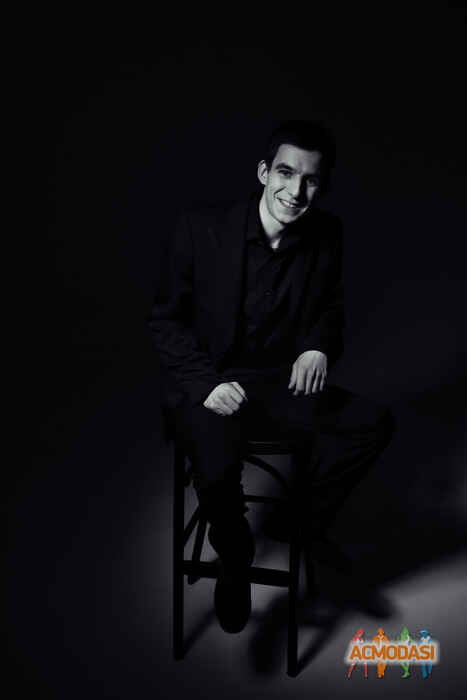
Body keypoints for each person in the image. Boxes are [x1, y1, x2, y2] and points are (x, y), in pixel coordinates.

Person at [149, 120, 395, 634]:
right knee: (215, 466)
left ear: (321, 187)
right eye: (286, 173)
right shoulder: (200, 229)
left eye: (311, 180)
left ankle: (300, 524)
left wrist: (317, 345)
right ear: (264, 172)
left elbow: (330, 308)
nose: (296, 191)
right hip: (212, 382)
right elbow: (165, 320)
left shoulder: (327, 234)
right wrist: (206, 385)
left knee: (373, 424)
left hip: (279, 386)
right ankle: (234, 556)